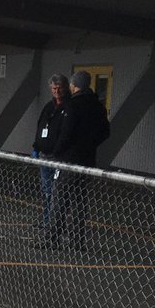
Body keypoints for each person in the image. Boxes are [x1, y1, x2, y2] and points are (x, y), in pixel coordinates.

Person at [44, 70, 110, 249]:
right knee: (79, 200)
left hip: (69, 159)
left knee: (59, 199)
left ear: (74, 85)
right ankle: (77, 240)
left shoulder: (73, 105)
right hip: (87, 159)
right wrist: (89, 144)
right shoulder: (98, 106)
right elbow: (105, 132)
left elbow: (66, 133)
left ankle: (52, 238)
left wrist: (57, 151)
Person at [32, 74, 70, 229]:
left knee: (57, 192)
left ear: (66, 87)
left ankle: (56, 222)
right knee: (47, 190)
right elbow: (40, 126)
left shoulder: (69, 106)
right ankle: (47, 219)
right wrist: (36, 146)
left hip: (58, 156)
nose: (57, 91)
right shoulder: (49, 106)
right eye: (54, 88)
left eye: (59, 88)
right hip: (44, 154)